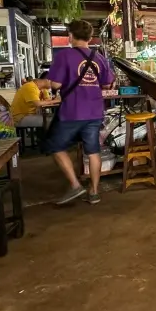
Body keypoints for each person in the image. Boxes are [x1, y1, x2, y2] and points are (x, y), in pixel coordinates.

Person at [46, 20, 115, 206]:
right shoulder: (99, 57)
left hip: (73, 112)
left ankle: (76, 185)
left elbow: (56, 85)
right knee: (93, 151)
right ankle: (94, 192)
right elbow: (107, 84)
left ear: (70, 36)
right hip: (94, 111)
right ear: (90, 37)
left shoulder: (64, 55)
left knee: (55, 145)